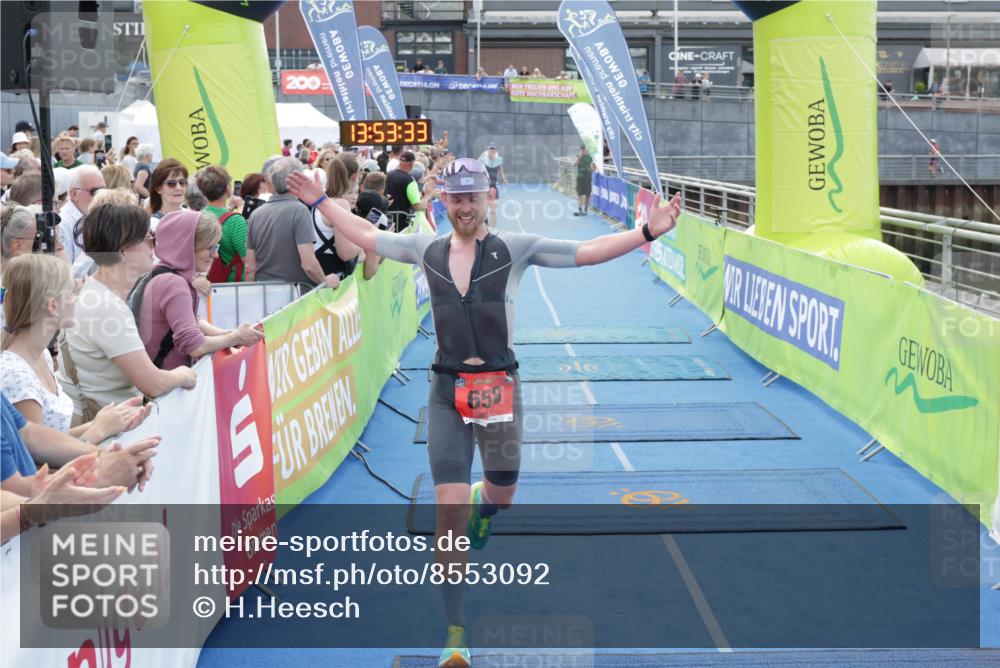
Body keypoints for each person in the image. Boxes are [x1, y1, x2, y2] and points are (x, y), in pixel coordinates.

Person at [287, 157, 681, 668]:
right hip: (447, 389)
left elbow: (585, 252)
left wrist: (648, 230)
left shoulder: (516, 249)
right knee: (447, 512)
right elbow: (364, 232)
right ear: (443, 202)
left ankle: (486, 505)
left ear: (488, 198)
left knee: (503, 493)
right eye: (456, 198)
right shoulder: (423, 247)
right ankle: (455, 632)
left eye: (473, 197)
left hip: (499, 389)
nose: (465, 207)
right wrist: (318, 203)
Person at [58, 203, 197, 421]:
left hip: (107, 417)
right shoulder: (106, 306)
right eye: (148, 238)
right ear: (122, 251)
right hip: (110, 427)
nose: (154, 247)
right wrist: (185, 375)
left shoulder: (96, 292)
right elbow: (153, 384)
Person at [2, 254, 151, 442]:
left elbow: (55, 440)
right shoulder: (17, 376)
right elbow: (37, 463)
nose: (76, 298)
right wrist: (98, 431)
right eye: (72, 291)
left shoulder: (42, 357)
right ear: (53, 306)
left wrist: (107, 421)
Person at [133, 210, 262, 370]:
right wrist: (235, 337)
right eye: (211, 248)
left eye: (217, 247)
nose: (215, 255)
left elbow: (190, 319)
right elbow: (194, 346)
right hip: (169, 387)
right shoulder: (174, 283)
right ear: (186, 247)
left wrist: (228, 334)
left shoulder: (162, 272)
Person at [244, 157, 340, 290]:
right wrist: (325, 282)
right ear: (298, 179)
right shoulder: (300, 211)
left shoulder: (255, 215)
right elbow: (309, 265)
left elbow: (249, 268)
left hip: (264, 294)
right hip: (296, 298)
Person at [197, 165, 248, 283]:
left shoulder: (199, 216)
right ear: (227, 189)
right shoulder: (236, 222)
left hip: (209, 281)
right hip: (233, 285)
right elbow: (248, 263)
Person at [61, 165, 106, 264]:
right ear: (74, 194)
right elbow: (67, 272)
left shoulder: (96, 218)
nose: (101, 196)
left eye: (103, 191)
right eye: (95, 191)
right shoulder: (63, 224)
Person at [147, 159, 189, 227]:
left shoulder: (192, 217)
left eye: (182, 182)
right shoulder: (153, 224)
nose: (178, 188)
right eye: (171, 183)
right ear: (158, 189)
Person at [385, 151, 421, 227]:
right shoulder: (410, 181)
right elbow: (417, 206)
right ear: (411, 164)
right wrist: (428, 194)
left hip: (386, 220)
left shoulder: (387, 175)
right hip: (402, 223)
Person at [478, 144, 507, 227]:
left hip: (494, 187)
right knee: (484, 209)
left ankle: (493, 229)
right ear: (488, 150)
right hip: (484, 187)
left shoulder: (498, 160)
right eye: (491, 150)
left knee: (493, 210)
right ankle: (484, 226)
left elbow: (501, 169)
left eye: (494, 150)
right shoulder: (483, 159)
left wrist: (504, 178)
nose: (492, 151)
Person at [574, 143, 595, 216]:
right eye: (582, 148)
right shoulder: (578, 157)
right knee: (579, 194)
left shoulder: (590, 157)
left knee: (588, 194)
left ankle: (586, 210)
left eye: (584, 148)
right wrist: (579, 157)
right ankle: (580, 209)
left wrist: (591, 169)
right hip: (580, 177)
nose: (583, 150)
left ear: (587, 149)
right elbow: (574, 164)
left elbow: (594, 168)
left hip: (587, 177)